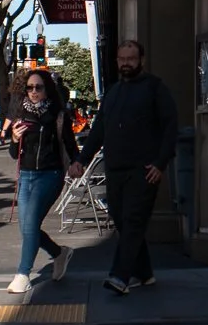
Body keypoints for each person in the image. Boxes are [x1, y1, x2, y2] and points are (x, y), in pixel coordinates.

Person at [71, 37, 178, 295]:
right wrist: (81, 160)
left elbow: (170, 127)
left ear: (141, 60)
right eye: (122, 59)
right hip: (115, 169)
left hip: (144, 171)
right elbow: (98, 131)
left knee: (133, 221)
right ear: (117, 61)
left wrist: (161, 163)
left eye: (131, 59)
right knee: (122, 221)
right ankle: (144, 273)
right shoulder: (113, 92)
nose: (126, 63)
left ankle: (120, 276)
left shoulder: (155, 88)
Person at [6, 64, 74, 296]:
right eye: (29, 88)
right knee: (28, 228)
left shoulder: (57, 114)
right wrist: (14, 139)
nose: (33, 92)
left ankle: (23, 274)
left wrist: (77, 162)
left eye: (38, 87)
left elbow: (69, 143)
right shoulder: (20, 114)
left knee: (31, 224)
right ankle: (59, 253)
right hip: (26, 175)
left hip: (50, 175)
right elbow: (14, 154)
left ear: (47, 90)